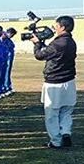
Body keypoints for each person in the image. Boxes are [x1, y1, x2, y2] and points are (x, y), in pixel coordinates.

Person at [31, 16, 77, 148]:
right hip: (69, 81)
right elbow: (53, 53)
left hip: (54, 82)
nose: (55, 29)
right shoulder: (70, 42)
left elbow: (40, 55)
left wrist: (37, 43)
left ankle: (56, 141)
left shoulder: (58, 43)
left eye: (56, 26)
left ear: (62, 27)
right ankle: (66, 132)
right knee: (66, 110)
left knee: (51, 113)